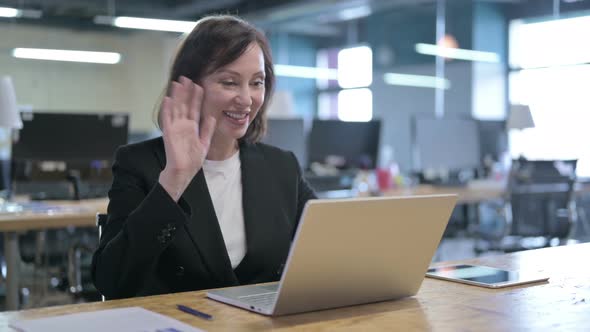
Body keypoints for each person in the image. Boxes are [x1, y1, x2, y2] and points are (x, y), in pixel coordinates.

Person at [91, 15, 316, 300]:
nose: (247, 99)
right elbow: (111, 281)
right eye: (230, 82)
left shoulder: (282, 166)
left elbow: (328, 251)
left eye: (257, 82)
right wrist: (174, 179)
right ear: (189, 86)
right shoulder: (140, 164)